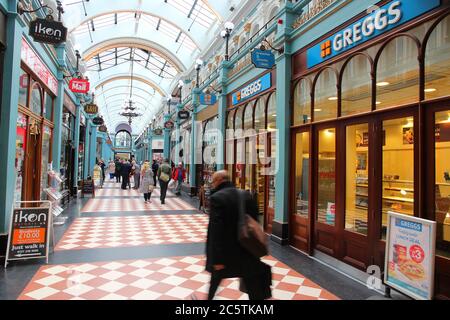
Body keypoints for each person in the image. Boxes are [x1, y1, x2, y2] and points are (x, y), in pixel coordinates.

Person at [205, 170, 272, 300]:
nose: (212, 184)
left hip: (225, 253)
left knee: (215, 282)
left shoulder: (217, 198)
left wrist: (217, 259)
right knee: (253, 286)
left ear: (219, 180)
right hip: (247, 250)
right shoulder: (245, 195)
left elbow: (216, 232)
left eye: (213, 181)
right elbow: (255, 223)